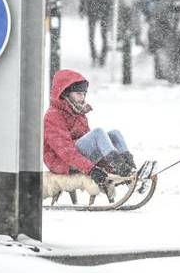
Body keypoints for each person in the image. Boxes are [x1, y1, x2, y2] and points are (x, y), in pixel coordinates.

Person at [43, 69, 138, 198]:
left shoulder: (77, 113)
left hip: (77, 157)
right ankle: (121, 168)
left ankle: (129, 167)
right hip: (61, 162)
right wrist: (91, 169)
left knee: (114, 134)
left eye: (84, 94)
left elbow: (92, 146)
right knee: (98, 133)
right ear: (65, 93)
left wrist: (105, 167)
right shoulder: (53, 116)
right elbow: (66, 152)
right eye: (78, 93)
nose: (82, 98)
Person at [80, 0, 115, 66]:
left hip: (94, 8)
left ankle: (95, 56)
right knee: (102, 35)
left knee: (93, 35)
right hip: (104, 9)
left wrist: (82, 7)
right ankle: (100, 57)